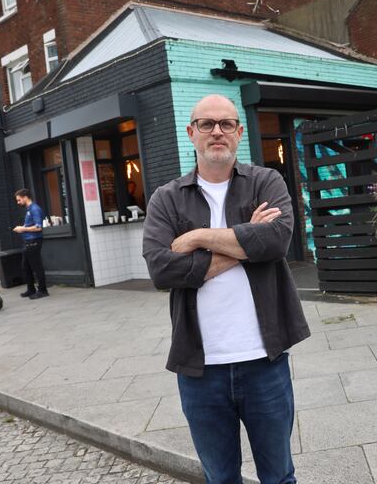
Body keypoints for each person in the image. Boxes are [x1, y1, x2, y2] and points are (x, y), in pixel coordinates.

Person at [143, 94, 308, 484]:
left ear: (240, 131)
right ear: (191, 133)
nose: (217, 131)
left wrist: (198, 237)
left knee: (279, 476)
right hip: (200, 370)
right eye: (206, 124)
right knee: (220, 478)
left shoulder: (266, 181)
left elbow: (278, 241)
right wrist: (246, 240)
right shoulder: (166, 198)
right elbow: (162, 269)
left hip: (264, 363)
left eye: (226, 124)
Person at [13, 189, 47, 299]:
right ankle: (31, 289)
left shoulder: (35, 209)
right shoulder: (29, 209)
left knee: (36, 266)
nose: (18, 202)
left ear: (25, 197)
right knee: (25, 267)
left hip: (34, 241)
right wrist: (22, 228)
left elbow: (38, 227)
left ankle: (42, 290)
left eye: (19, 200)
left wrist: (22, 229)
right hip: (28, 241)